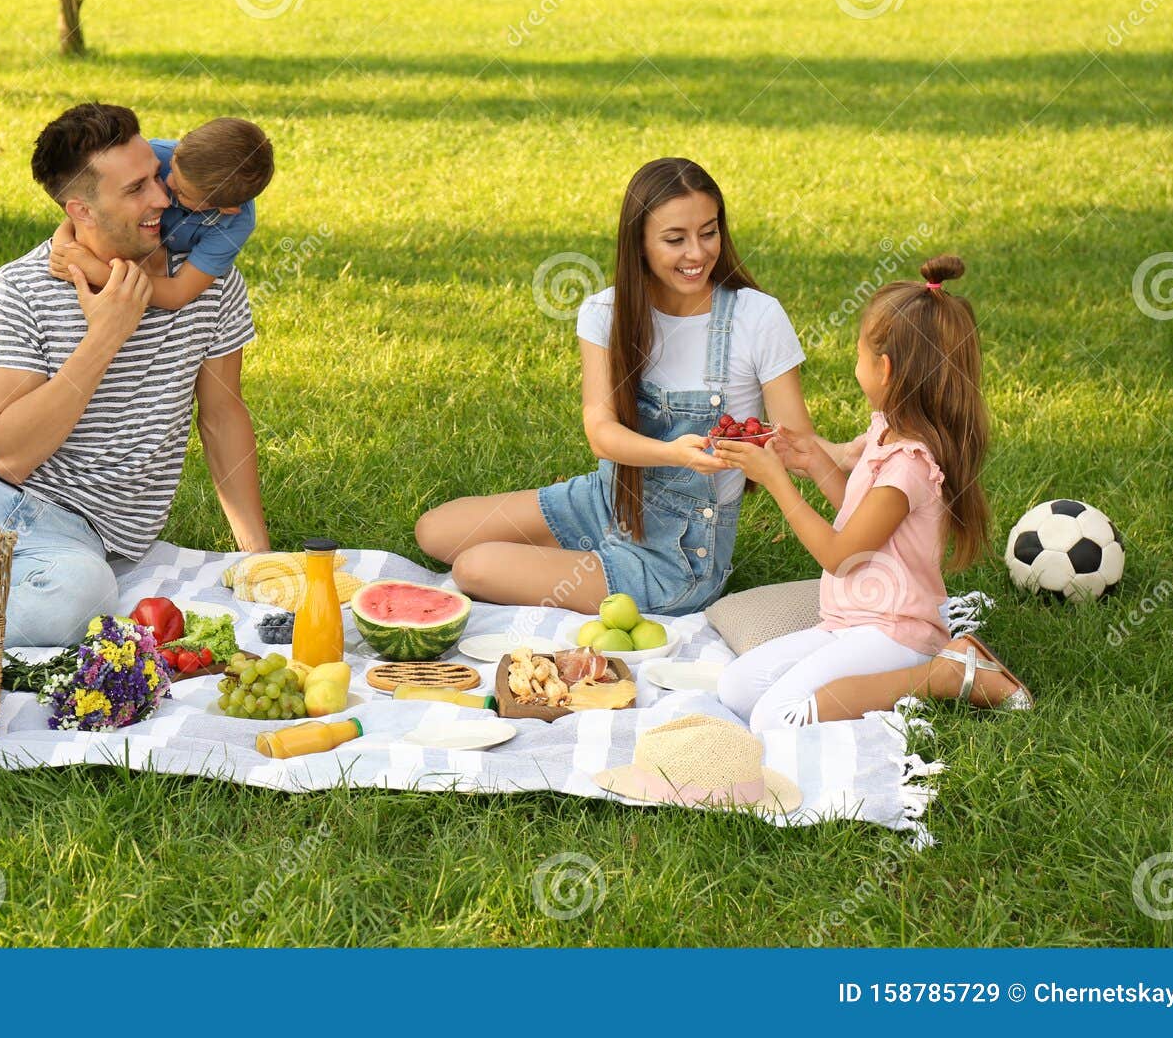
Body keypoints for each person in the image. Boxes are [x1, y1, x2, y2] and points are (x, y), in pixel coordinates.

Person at [416, 158, 846, 614]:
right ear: (638, 242)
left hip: (679, 556)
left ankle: (584, 569)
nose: (697, 254)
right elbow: (601, 432)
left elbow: (794, 441)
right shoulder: (606, 312)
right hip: (608, 501)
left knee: (474, 568)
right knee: (435, 531)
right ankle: (582, 562)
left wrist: (849, 457)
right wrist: (673, 453)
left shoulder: (757, 316)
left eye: (709, 232)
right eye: (675, 239)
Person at [0, 103, 269, 648]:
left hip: (75, 535)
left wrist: (258, 557)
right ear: (80, 209)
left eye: (156, 176)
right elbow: (7, 454)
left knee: (77, 600)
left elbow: (222, 416)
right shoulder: (22, 286)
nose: (163, 198)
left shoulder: (211, 286)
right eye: (137, 189)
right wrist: (106, 335)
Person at [715, 256, 1032, 731]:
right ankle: (913, 673)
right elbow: (863, 521)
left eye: (858, 354)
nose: (855, 364)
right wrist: (816, 462)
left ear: (884, 369)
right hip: (851, 621)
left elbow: (841, 556)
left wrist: (777, 481)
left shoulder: (909, 465)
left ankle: (941, 674)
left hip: (896, 632)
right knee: (736, 689)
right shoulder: (886, 432)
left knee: (775, 719)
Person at [47, 116, 273, 310]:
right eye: (168, 170)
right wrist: (63, 247)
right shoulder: (158, 155)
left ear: (226, 209)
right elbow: (91, 205)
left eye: (182, 192)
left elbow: (177, 293)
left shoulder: (235, 224)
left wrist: (101, 274)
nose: (166, 185)